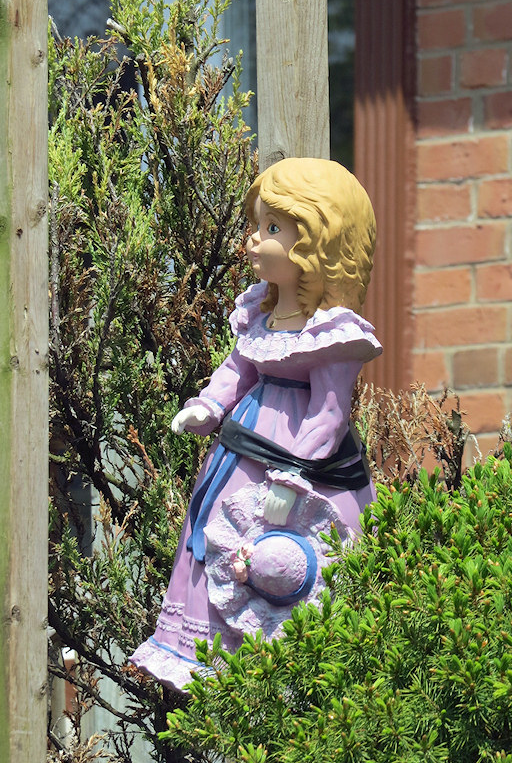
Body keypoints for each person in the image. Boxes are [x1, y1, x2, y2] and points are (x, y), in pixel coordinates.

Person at [129, 157, 382, 690]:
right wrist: (209, 406)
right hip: (241, 450)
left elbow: (329, 414)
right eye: (257, 225)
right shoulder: (260, 315)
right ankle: (208, 649)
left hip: (295, 464)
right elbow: (238, 369)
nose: (252, 239)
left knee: (278, 557)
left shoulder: (333, 333)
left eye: (271, 228)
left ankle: (284, 666)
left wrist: (292, 482)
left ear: (318, 243)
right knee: (218, 537)